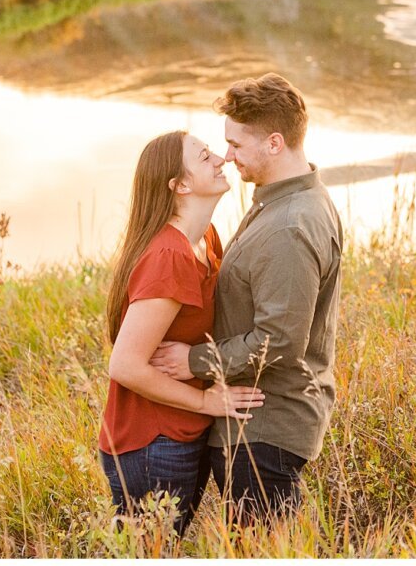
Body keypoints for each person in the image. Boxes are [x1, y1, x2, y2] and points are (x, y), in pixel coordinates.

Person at [150, 73, 343, 524]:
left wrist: (195, 361)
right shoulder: (283, 201)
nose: (226, 156)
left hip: (263, 429)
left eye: (235, 144)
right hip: (256, 424)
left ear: (275, 143)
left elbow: (279, 340)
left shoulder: (290, 226)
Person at [98, 130, 266, 536]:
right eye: (205, 156)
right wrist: (207, 400)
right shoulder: (169, 256)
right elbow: (124, 366)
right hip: (152, 443)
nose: (220, 159)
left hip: (182, 433)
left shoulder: (205, 239)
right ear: (181, 185)